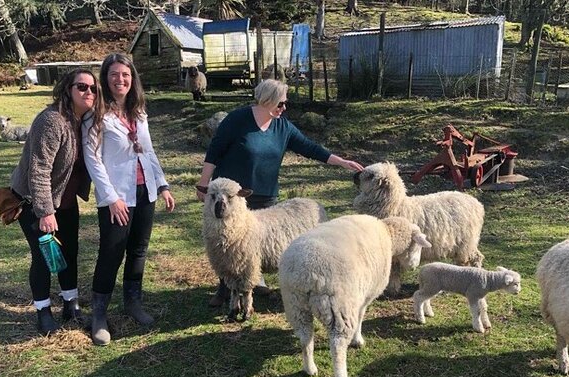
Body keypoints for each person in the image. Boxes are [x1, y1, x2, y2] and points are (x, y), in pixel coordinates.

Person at [196, 78, 364, 307]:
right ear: (268, 100)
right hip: (232, 196)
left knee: (256, 245)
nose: (284, 108)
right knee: (226, 242)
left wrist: (341, 161)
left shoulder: (282, 127)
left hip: (265, 194)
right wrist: (204, 183)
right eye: (281, 103)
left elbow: (308, 147)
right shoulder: (237, 120)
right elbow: (214, 150)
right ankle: (224, 289)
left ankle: (254, 284)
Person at [83, 53, 175, 346]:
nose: (120, 80)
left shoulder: (139, 112)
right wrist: (111, 198)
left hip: (144, 191)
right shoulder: (96, 115)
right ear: (105, 79)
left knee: (138, 250)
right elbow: (92, 159)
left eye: (125, 74)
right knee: (111, 252)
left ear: (132, 79)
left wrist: (162, 185)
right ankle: (99, 314)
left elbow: (148, 152)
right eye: (113, 75)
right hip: (117, 197)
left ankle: (132, 302)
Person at [10, 68, 103, 334]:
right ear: (67, 89)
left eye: (94, 89)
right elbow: (38, 169)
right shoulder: (51, 121)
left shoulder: (82, 120)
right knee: (43, 257)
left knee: (69, 252)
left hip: (65, 200)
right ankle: (43, 311)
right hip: (33, 202)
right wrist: (44, 212)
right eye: (82, 87)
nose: (89, 92)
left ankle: (70, 305)